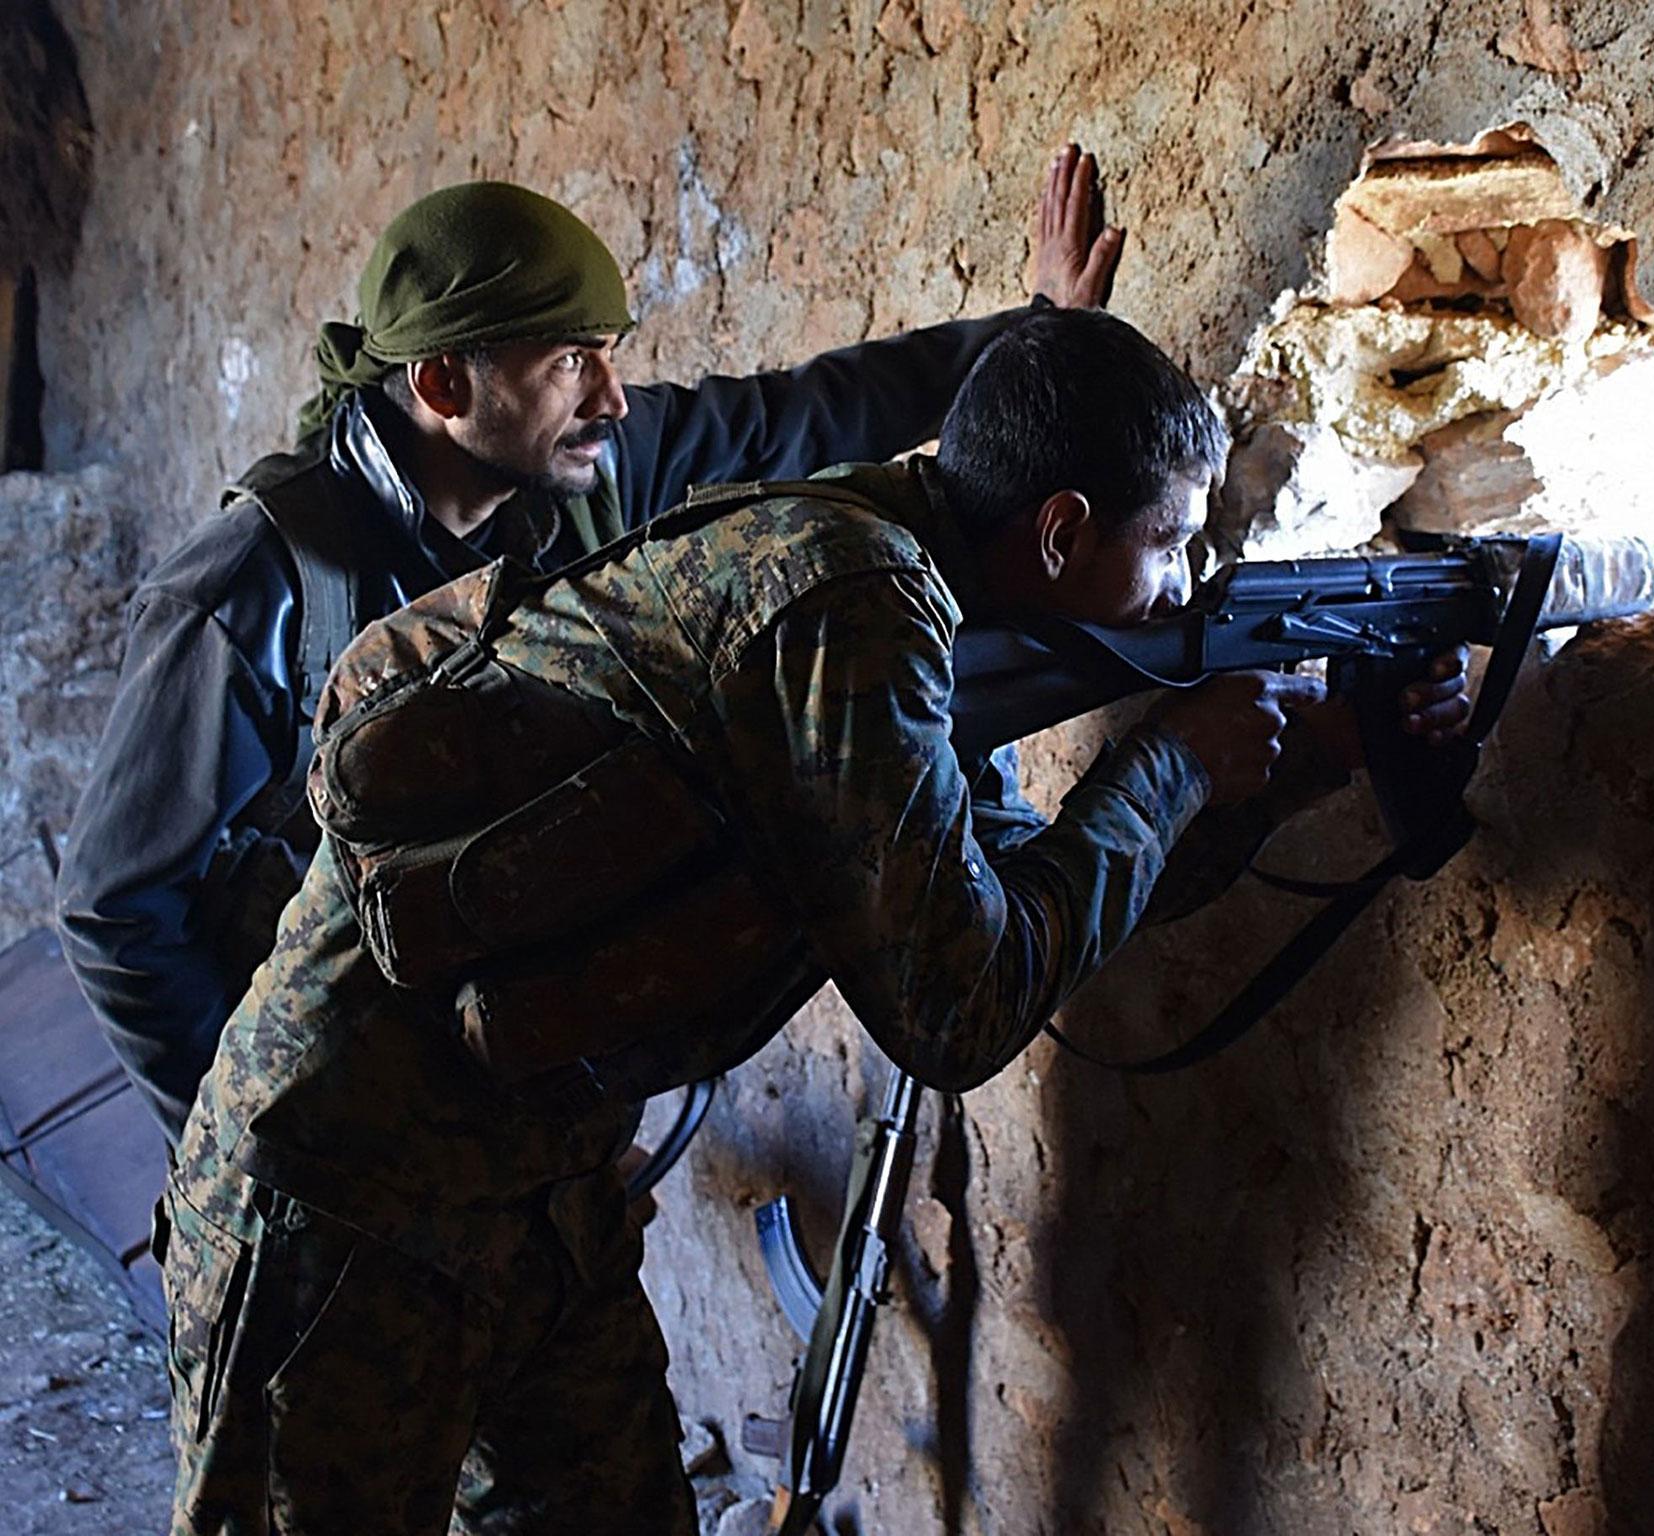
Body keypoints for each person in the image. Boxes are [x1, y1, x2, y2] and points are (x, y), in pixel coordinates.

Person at [159, 305, 1471, 1534]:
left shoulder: (922, 598)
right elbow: (959, 1008)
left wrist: (1280, 776)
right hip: (339, 1188)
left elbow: (1022, 902)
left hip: (529, 1182)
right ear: (1063, 529)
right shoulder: (854, 599)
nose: (1186, 586)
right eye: (1172, 540)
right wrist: (1171, 767)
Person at [55, 146, 1126, 1140]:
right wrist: (253, 1143)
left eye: (608, 356)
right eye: (572, 362)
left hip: (500, 1079)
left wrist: (1030, 335)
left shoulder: (579, 470)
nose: (612, 398)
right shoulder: (254, 587)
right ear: (442, 387)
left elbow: (805, 413)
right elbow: (117, 910)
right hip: (338, 1106)